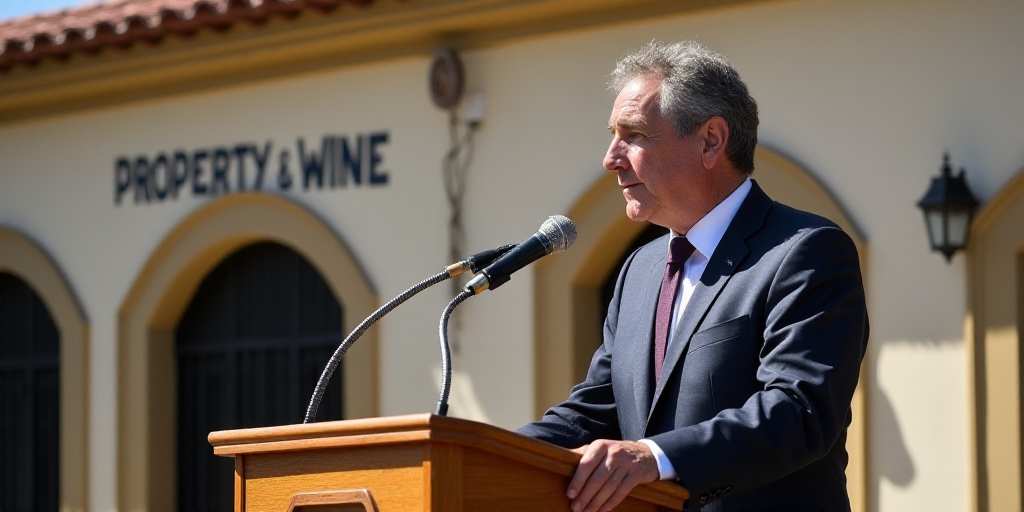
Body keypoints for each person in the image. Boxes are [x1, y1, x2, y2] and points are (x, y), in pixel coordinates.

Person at [518, 41, 869, 512]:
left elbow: (797, 411)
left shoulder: (805, 252)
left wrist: (654, 457)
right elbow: (596, 410)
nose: (611, 157)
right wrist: (475, 455)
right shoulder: (639, 271)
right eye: (613, 135)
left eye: (634, 134)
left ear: (711, 141)